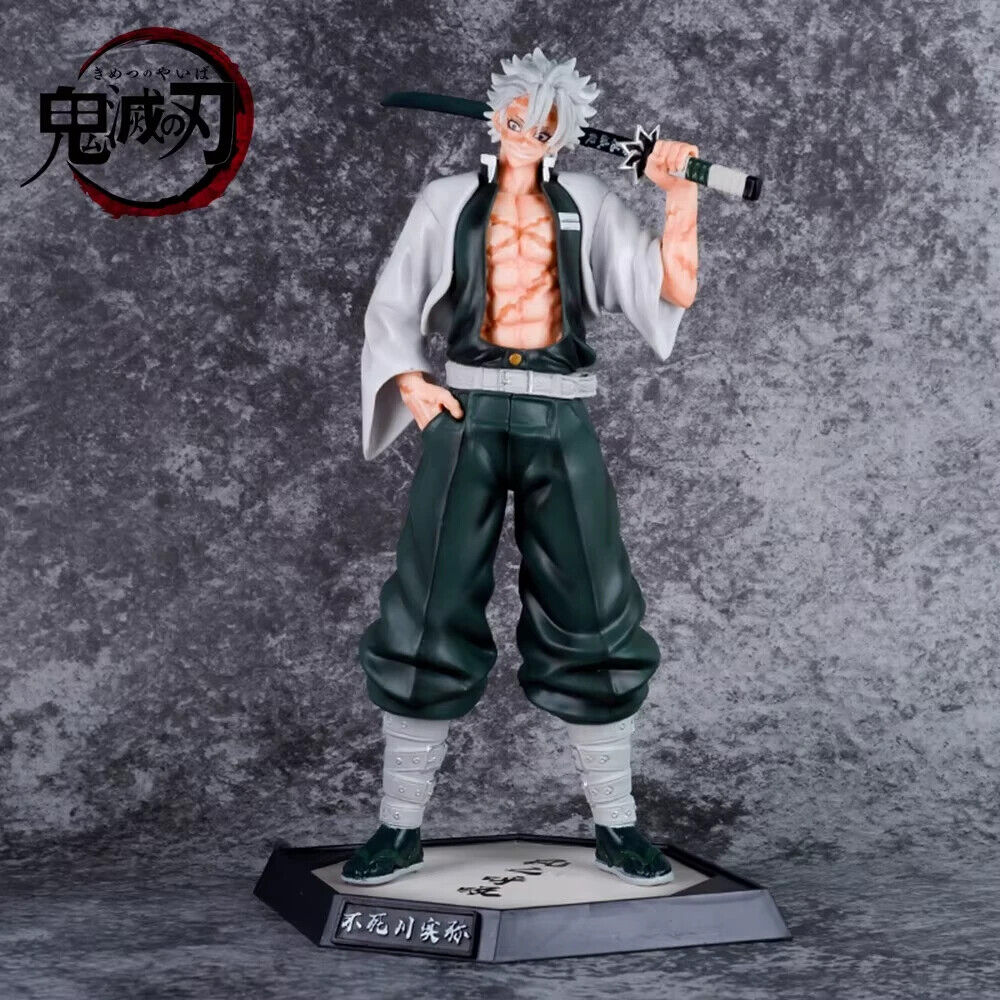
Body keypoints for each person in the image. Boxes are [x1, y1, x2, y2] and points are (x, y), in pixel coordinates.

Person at [344, 47, 699, 887]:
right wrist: (408, 379)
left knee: (595, 607)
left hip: (557, 412)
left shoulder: (589, 202)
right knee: (427, 607)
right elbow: (394, 301)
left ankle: (617, 825)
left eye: (545, 124)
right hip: (465, 411)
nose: (527, 131)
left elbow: (671, 288)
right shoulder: (445, 201)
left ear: (563, 133)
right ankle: (398, 826)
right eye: (517, 115)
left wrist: (678, 195)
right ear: (496, 112)